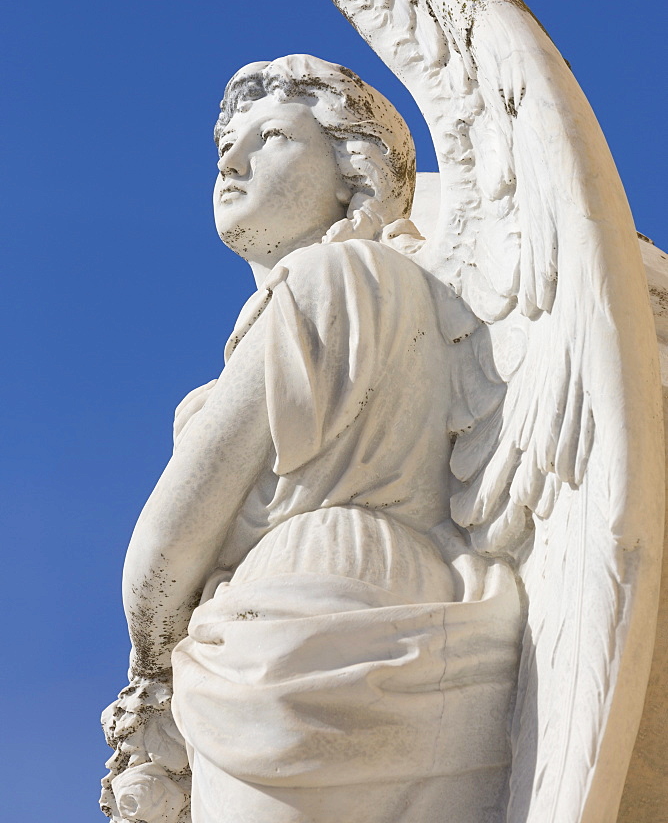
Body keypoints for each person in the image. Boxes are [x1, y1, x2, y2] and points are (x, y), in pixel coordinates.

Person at [105, 56, 522, 823]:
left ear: (354, 174)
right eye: (227, 143)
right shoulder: (425, 295)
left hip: (298, 612)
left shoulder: (328, 278)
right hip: (432, 604)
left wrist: (152, 668)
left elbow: (163, 546)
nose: (231, 159)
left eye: (270, 138)